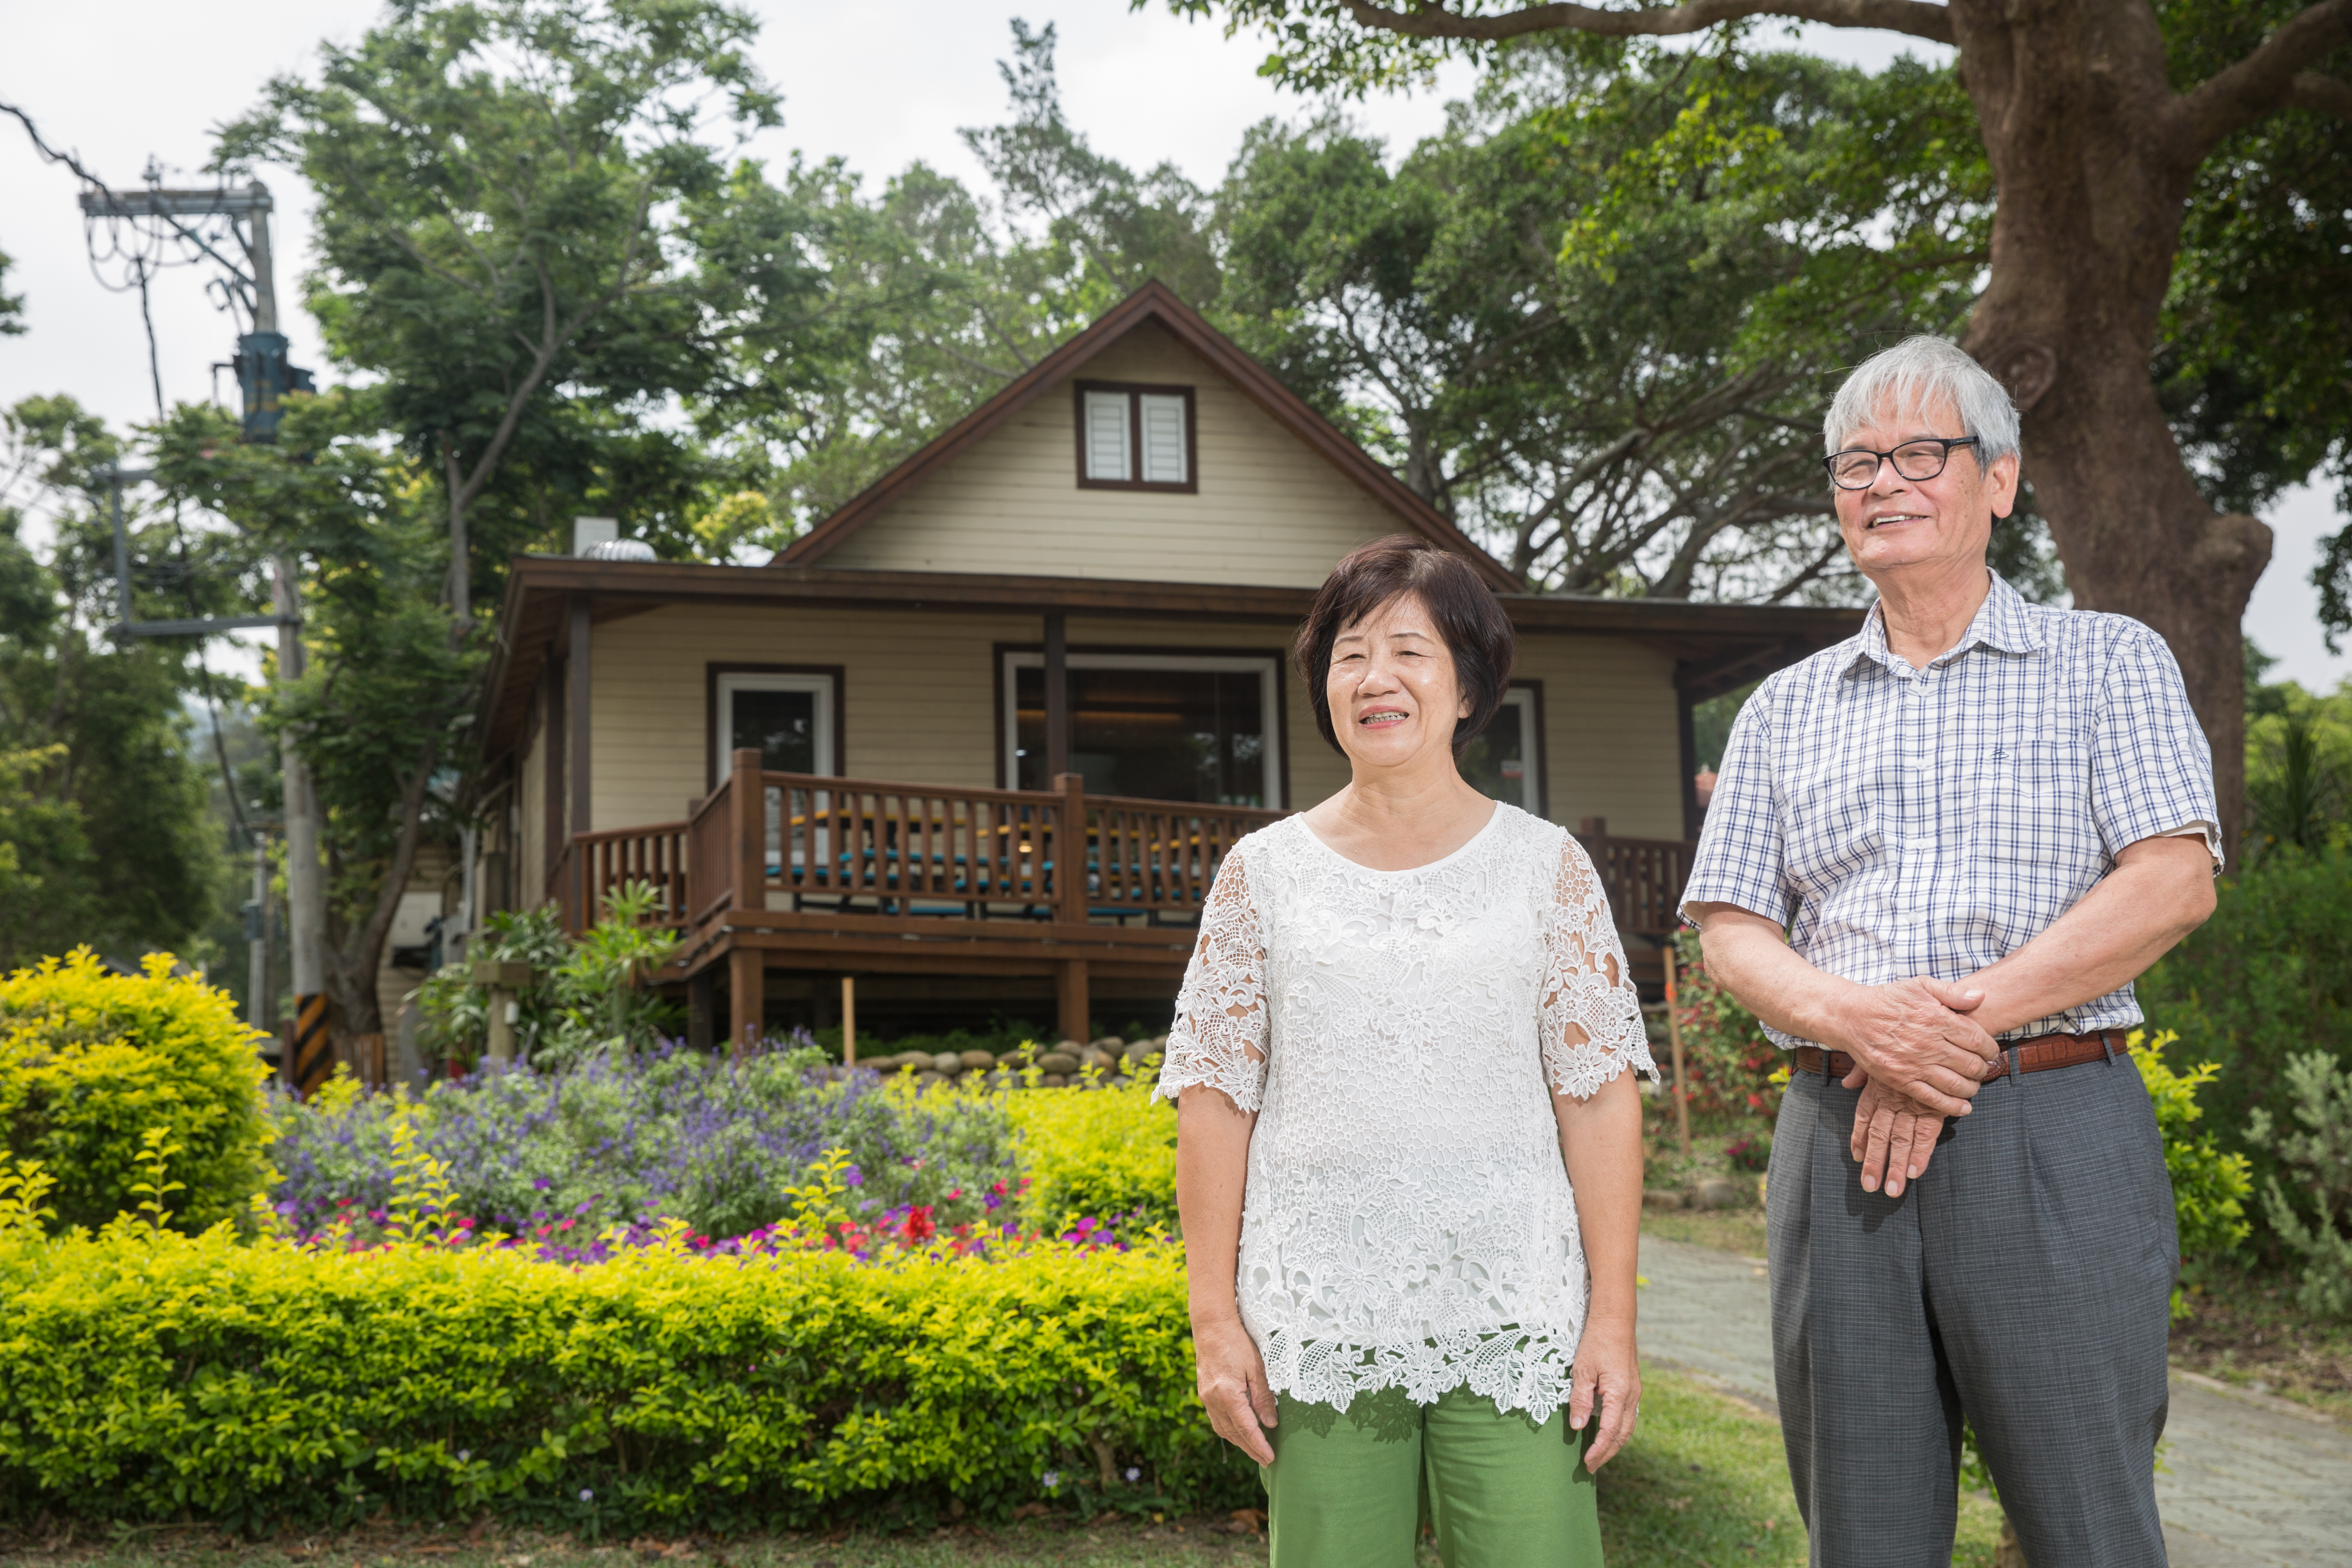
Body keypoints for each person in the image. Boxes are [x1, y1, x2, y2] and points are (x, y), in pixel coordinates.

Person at [1680, 336, 2220, 1567]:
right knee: (1861, 1532)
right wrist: (1860, 1026)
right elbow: (1731, 933)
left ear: (2000, 481)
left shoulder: (2109, 662)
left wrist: (1944, 1033)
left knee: (2091, 1523)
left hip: (2051, 1126)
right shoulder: (1785, 706)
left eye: (1922, 453)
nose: (1885, 483)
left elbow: (2172, 882)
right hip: (1837, 1138)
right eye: (1857, 463)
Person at [1157, 535, 1653, 1568]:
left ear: (1468, 686)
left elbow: (1598, 1099)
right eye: (1349, 654)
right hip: (1318, 1318)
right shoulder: (1262, 876)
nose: (1375, 678)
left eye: (1409, 652)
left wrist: (1612, 1320)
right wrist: (1215, 1324)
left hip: (1516, 1313)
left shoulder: (1546, 868)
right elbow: (1212, 1101)